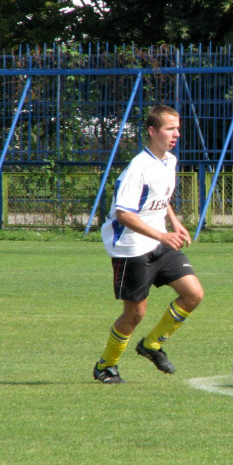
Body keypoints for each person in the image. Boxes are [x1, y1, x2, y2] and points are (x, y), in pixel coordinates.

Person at [94, 104, 204, 384]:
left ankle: (152, 344)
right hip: (130, 247)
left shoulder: (170, 161)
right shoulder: (138, 168)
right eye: (170, 128)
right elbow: (124, 213)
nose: (176, 133)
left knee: (193, 294)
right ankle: (106, 365)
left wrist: (174, 222)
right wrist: (164, 235)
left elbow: (160, 198)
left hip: (158, 241)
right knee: (135, 314)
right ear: (153, 131)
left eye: (178, 128)